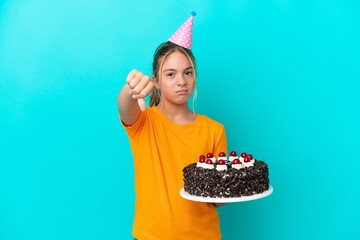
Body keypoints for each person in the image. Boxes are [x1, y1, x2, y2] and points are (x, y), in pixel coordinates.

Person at [117, 14, 227, 240]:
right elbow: (124, 107)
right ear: (155, 80)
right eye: (170, 74)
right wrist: (131, 89)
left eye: (188, 73)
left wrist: (225, 187)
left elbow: (218, 201)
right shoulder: (144, 122)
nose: (181, 81)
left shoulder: (214, 130)